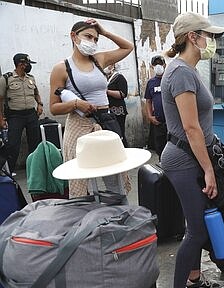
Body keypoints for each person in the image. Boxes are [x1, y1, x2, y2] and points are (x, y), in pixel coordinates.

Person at [160, 12, 224, 288]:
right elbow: (190, 128)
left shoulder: (187, 70)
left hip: (192, 158)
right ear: (192, 37)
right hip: (185, 160)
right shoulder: (182, 73)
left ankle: (195, 278)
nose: (211, 41)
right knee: (196, 229)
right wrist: (209, 170)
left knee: (197, 221)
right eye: (207, 35)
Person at [49, 19, 134, 198]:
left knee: (114, 175)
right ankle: (85, 220)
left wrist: (104, 32)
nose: (92, 42)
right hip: (79, 125)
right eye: (88, 36)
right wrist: (76, 104)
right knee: (80, 179)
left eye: (95, 39)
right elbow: (54, 107)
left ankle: (119, 216)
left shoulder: (99, 60)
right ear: (74, 36)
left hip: (104, 123)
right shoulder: (61, 68)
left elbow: (128, 47)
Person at [0, 53, 43, 172]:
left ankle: (35, 169)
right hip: (15, 116)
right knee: (13, 144)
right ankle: (10, 171)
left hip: (31, 114)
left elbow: (36, 93)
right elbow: (0, 99)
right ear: (21, 64)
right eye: (28, 63)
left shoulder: (31, 78)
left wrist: (40, 104)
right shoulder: (6, 78)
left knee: (35, 142)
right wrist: (1, 118)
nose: (29, 66)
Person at [144, 55, 167, 159]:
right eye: (155, 64)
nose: (158, 66)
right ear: (152, 66)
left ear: (164, 65)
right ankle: (162, 165)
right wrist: (149, 116)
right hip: (158, 121)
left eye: (160, 63)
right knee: (159, 146)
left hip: (171, 121)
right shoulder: (151, 83)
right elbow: (148, 101)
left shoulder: (169, 79)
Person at [105, 63, 129, 146]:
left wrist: (107, 92)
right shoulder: (106, 78)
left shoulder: (119, 78)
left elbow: (123, 94)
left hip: (118, 110)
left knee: (120, 133)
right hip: (108, 110)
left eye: (109, 65)